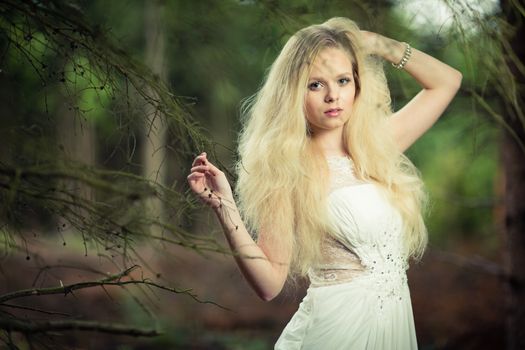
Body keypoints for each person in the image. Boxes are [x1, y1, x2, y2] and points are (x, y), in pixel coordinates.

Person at [187, 17, 461, 350]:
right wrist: (225, 207)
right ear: (293, 93)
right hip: (334, 332)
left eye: (343, 80)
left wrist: (374, 44)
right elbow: (269, 284)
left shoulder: (376, 146)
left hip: (394, 328)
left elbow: (447, 81)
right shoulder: (288, 169)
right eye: (315, 85)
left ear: (357, 84)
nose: (333, 95)